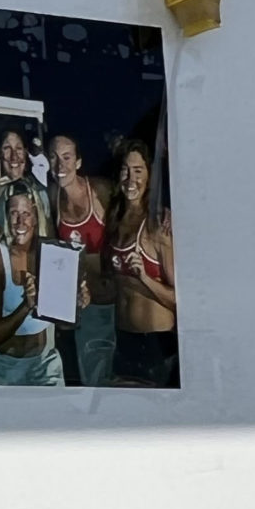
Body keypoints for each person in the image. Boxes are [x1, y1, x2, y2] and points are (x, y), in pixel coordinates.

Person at [0, 186, 70, 387]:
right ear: (6, 217)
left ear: (36, 218)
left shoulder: (54, 253)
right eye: (14, 213)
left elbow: (65, 323)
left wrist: (76, 303)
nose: (20, 222)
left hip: (44, 363)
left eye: (26, 214)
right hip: (3, 366)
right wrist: (27, 306)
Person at [107, 140, 177, 387]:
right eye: (126, 170)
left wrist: (145, 278)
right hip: (123, 340)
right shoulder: (115, 217)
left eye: (138, 171)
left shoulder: (158, 226)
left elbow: (178, 298)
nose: (131, 178)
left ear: (149, 175)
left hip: (155, 344)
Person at [47, 135, 116, 387]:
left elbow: (135, 209)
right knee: (91, 384)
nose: (60, 165)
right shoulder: (52, 196)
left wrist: (163, 212)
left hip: (110, 302)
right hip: (81, 308)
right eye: (53, 157)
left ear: (78, 162)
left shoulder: (99, 190)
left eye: (66, 157)